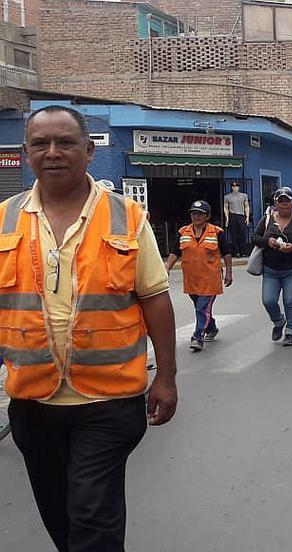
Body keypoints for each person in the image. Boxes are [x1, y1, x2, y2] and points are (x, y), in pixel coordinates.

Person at [4, 105, 177, 550]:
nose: (53, 152)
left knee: (92, 514)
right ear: (26, 154)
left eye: (65, 142)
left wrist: (168, 378)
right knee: (59, 514)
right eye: (40, 144)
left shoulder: (127, 217)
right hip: (33, 398)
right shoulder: (4, 220)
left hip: (109, 399)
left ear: (88, 151)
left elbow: (155, 298)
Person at [164, 200, 234, 351]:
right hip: (191, 280)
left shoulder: (216, 232)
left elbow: (227, 253)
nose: (196, 216)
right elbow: (175, 252)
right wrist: (167, 268)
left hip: (210, 280)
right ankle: (211, 327)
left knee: (202, 309)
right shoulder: (183, 232)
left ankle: (197, 337)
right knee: (200, 308)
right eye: (193, 213)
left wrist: (228, 272)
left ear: (207, 216)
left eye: (200, 214)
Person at [252, 186, 292, 346]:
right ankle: (279, 321)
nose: (284, 204)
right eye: (281, 201)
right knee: (268, 300)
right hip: (270, 269)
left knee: (290, 300)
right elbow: (255, 237)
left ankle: (291, 331)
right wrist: (268, 241)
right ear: (275, 203)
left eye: (287, 201)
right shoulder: (267, 220)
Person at [223, 180, 250, 256]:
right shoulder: (227, 197)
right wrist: (227, 218)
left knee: (242, 234)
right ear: (231, 187)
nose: (235, 188)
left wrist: (247, 217)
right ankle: (236, 252)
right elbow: (226, 207)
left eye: (236, 186)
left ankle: (243, 252)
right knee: (233, 234)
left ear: (239, 187)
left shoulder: (243, 196)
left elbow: (246, 206)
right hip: (232, 215)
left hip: (241, 215)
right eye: (233, 186)